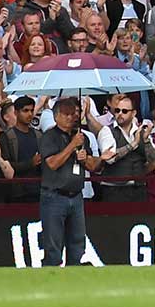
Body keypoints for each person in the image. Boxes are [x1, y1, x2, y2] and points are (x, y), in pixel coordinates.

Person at [37, 96, 103, 264]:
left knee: (77, 243)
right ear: (56, 116)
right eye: (66, 114)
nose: (71, 117)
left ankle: (74, 276)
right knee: (53, 245)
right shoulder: (49, 137)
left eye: (73, 114)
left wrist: (84, 157)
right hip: (54, 196)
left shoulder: (82, 137)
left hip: (76, 195)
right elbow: (52, 163)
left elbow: (94, 166)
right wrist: (72, 145)